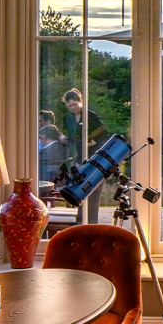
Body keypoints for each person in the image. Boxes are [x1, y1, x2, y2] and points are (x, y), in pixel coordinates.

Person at [61, 89, 107, 223]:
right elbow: (72, 137)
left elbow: (104, 136)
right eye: (70, 106)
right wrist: (65, 138)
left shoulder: (92, 117)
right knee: (80, 190)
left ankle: (91, 222)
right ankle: (80, 221)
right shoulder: (69, 118)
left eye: (75, 104)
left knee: (92, 192)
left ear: (81, 101)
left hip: (93, 159)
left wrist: (94, 143)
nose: (73, 108)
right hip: (78, 159)